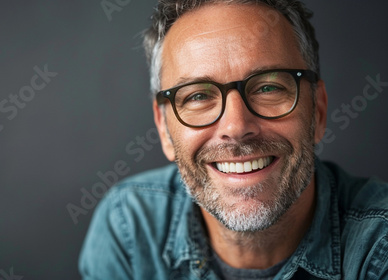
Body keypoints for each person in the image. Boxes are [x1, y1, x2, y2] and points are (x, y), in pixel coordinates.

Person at [79, 0, 388, 279]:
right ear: (164, 129)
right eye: (198, 95)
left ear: (317, 111)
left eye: (268, 88)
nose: (236, 126)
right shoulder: (128, 227)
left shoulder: (379, 246)